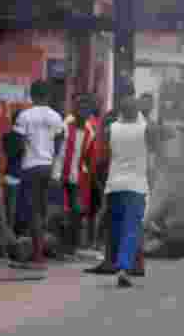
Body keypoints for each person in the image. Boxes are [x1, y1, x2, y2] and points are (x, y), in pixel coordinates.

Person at [102, 94, 152, 288]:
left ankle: (117, 262)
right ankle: (123, 267)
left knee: (116, 228)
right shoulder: (146, 129)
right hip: (136, 186)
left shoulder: (110, 129)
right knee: (131, 229)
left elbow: (105, 145)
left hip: (114, 185)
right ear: (137, 111)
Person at [15, 80, 66, 264]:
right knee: (43, 210)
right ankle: (41, 249)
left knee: (33, 211)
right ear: (48, 95)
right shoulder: (56, 117)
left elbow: (19, 144)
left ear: (32, 95)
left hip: (31, 167)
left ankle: (37, 255)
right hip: (48, 167)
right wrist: (55, 170)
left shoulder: (24, 116)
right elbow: (59, 145)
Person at [59, 93, 97, 255]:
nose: (83, 110)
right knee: (59, 210)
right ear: (74, 108)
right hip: (58, 174)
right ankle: (59, 245)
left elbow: (87, 156)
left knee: (76, 211)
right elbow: (57, 150)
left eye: (87, 108)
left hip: (75, 176)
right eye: (80, 107)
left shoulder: (90, 131)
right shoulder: (64, 124)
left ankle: (70, 247)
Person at [2, 109, 26, 234]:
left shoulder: (6, 136)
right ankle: (13, 234)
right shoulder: (23, 138)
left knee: (9, 209)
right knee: (16, 210)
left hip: (10, 176)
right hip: (18, 176)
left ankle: (10, 233)